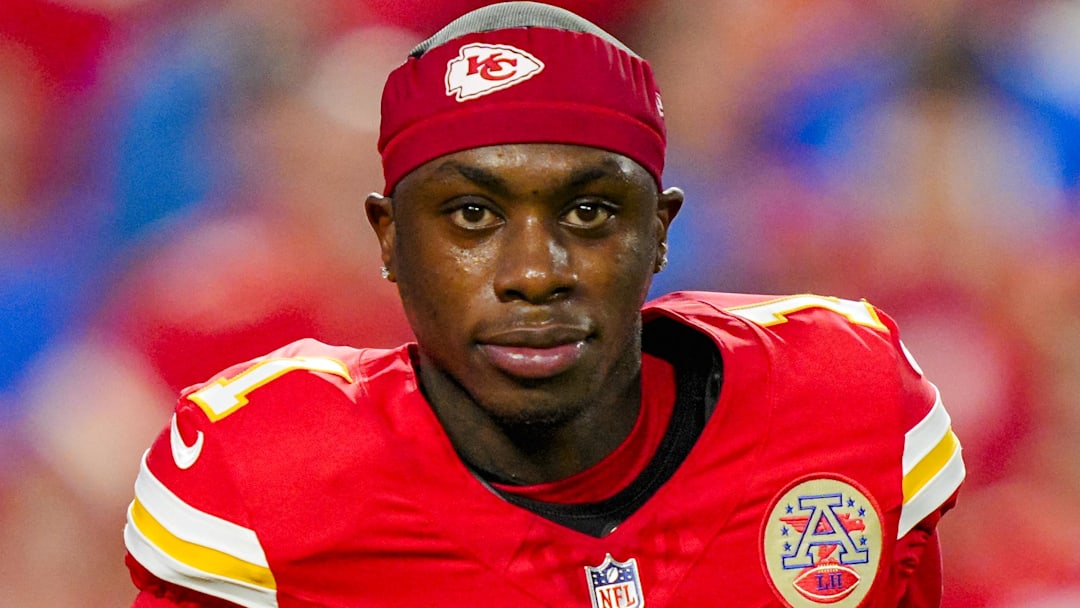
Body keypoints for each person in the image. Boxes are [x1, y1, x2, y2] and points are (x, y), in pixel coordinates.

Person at [122, 2, 965, 606]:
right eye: (473, 215)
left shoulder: (842, 401)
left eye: (590, 211)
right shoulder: (270, 483)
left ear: (661, 230)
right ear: (389, 238)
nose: (535, 271)